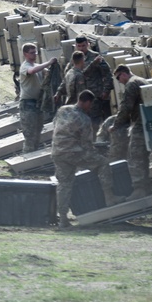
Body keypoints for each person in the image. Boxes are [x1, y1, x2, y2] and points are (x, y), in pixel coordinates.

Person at [52, 90, 119, 227]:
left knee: (64, 184)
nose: (90, 107)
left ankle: (63, 218)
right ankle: (109, 197)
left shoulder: (63, 109)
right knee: (103, 163)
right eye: (90, 104)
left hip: (57, 152)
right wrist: (96, 153)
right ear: (87, 102)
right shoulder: (84, 119)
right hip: (74, 153)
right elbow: (86, 145)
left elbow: (55, 125)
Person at [115, 65, 151, 199]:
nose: (119, 81)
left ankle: (139, 188)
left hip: (140, 123)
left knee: (134, 155)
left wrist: (116, 125)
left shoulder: (131, 84)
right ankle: (146, 187)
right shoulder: (142, 80)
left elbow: (126, 107)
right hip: (148, 122)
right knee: (142, 155)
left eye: (119, 77)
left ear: (124, 73)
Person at [18, 43, 57, 153]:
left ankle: (32, 156)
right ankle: (27, 159)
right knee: (30, 134)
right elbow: (32, 71)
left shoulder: (37, 66)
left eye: (35, 52)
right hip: (27, 104)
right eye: (32, 53)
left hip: (38, 103)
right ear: (25, 54)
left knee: (37, 131)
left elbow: (45, 72)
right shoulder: (25, 66)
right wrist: (48, 63)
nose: (34, 54)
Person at [72, 36, 113, 131]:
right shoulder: (75, 58)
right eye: (79, 46)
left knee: (96, 121)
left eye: (83, 45)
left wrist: (106, 90)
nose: (81, 48)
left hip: (96, 95)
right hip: (81, 96)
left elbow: (107, 74)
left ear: (88, 44)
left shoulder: (95, 57)